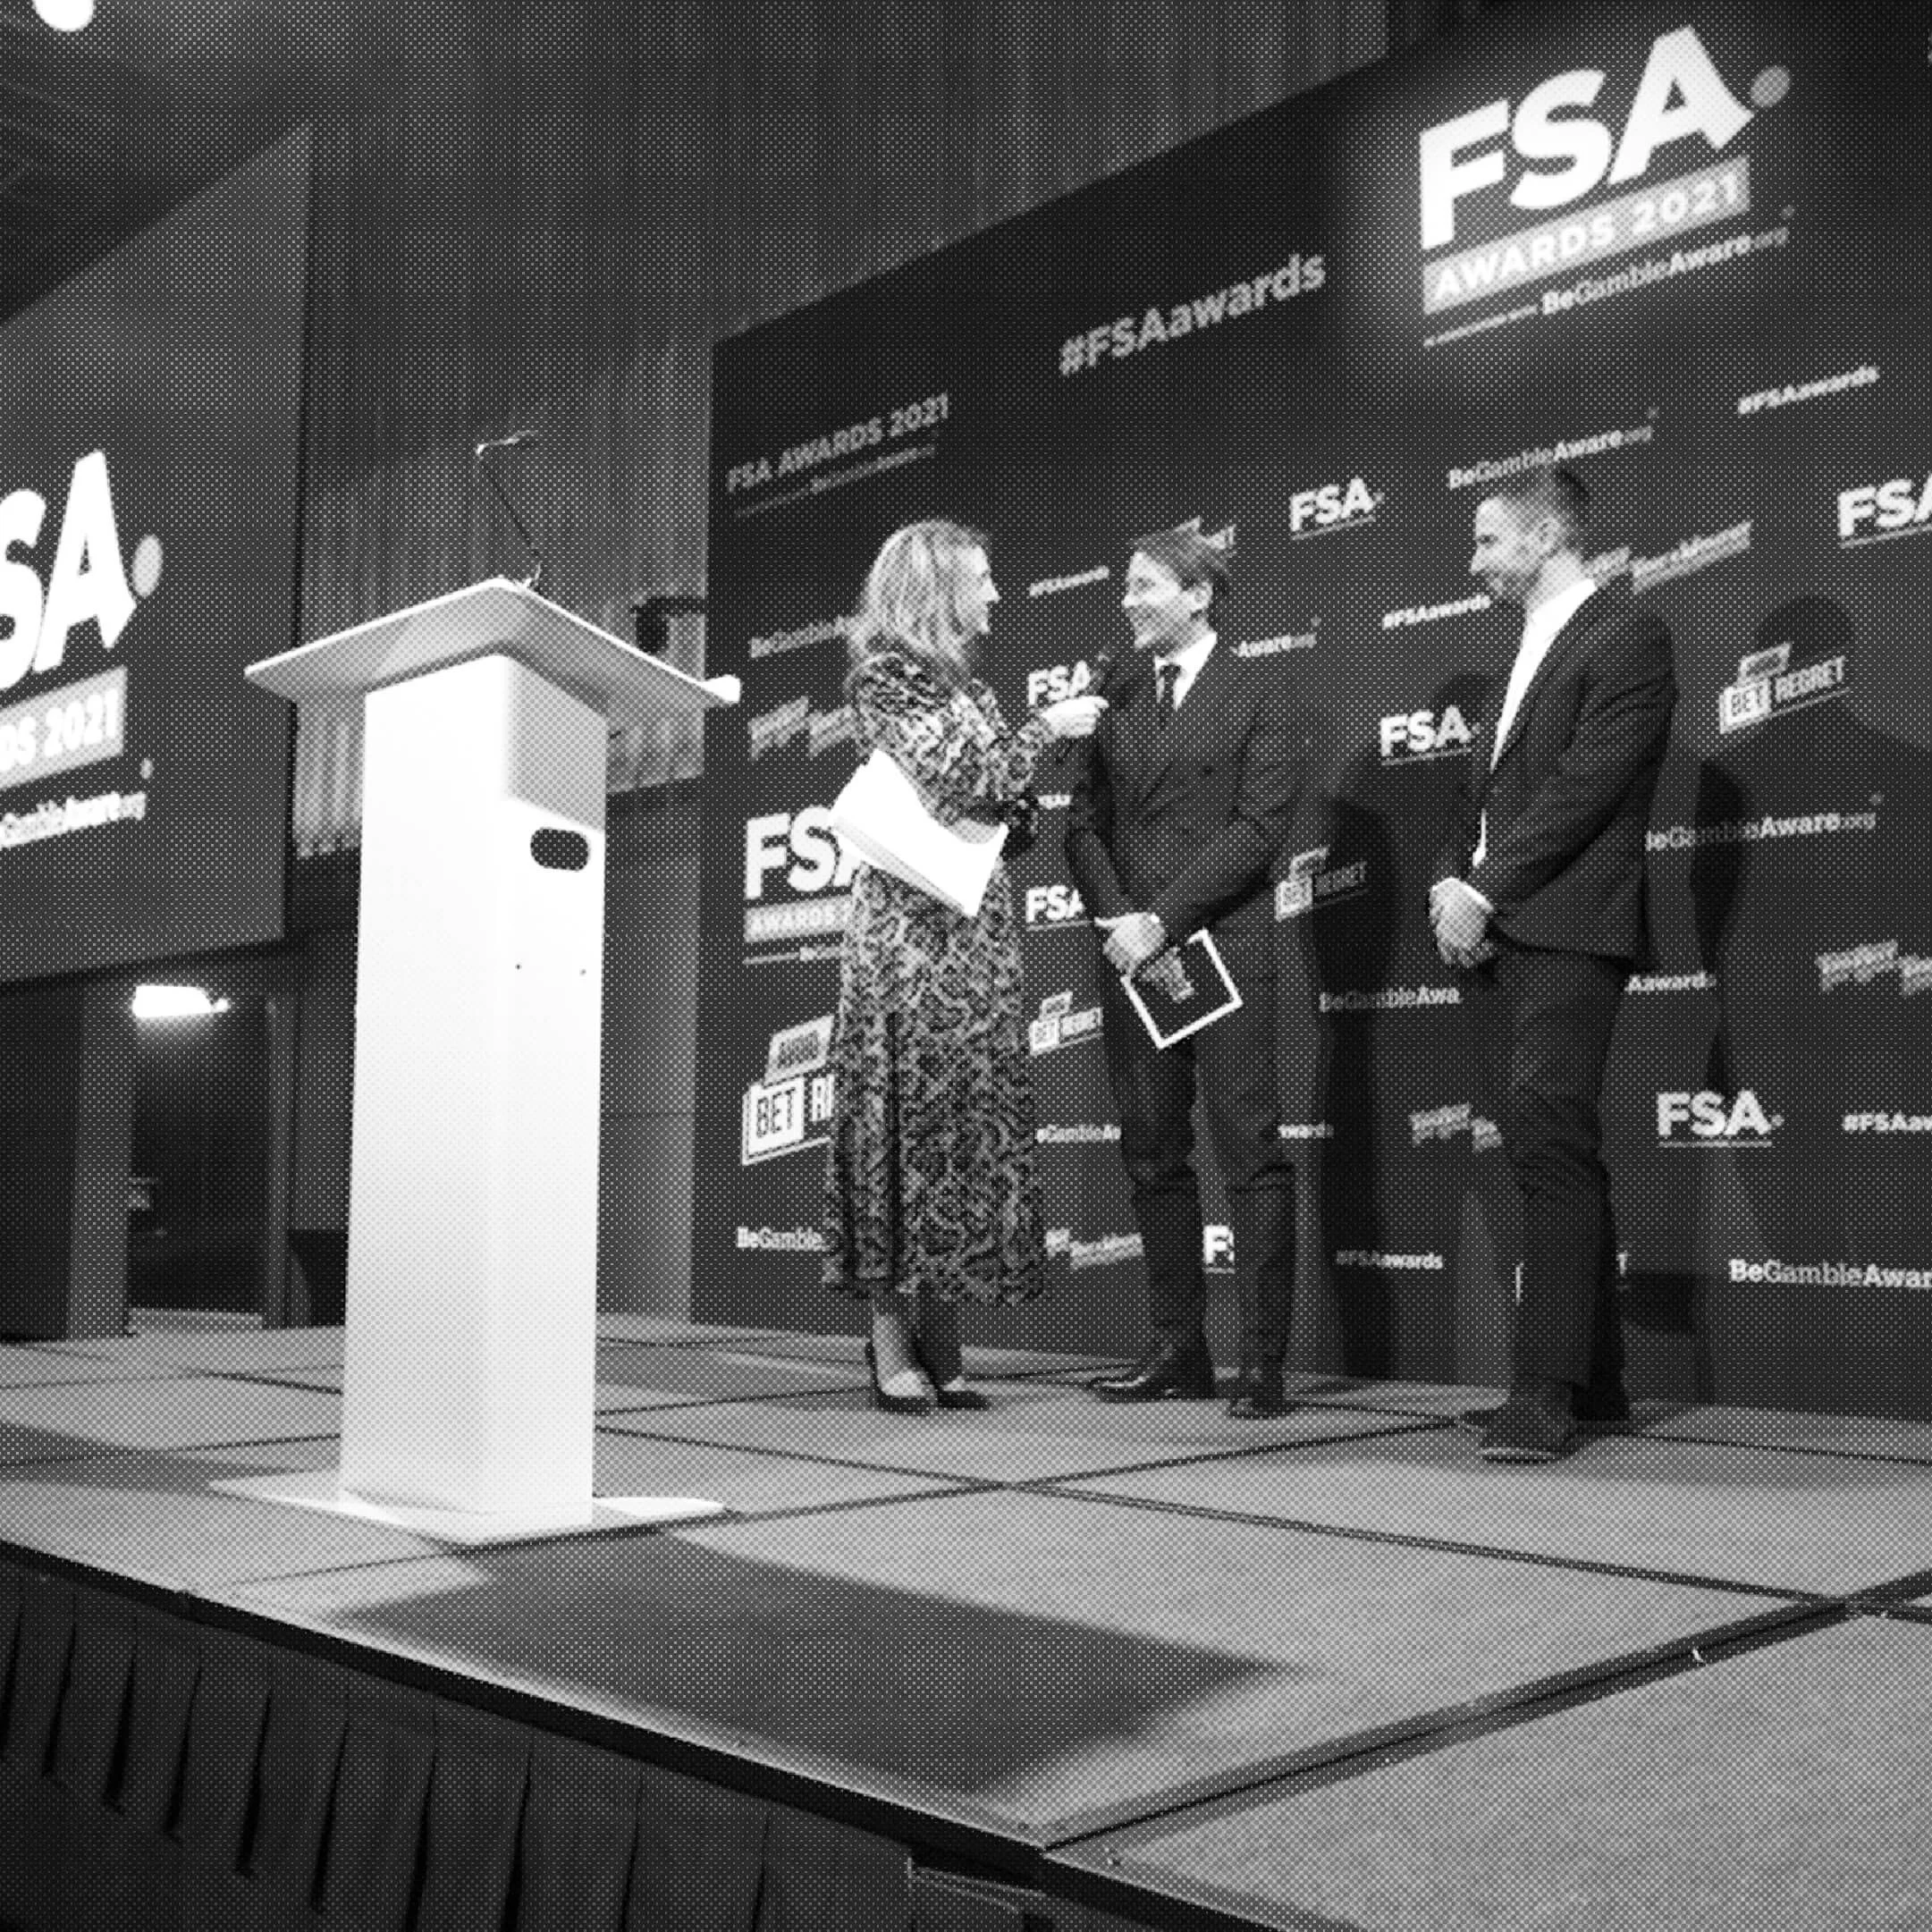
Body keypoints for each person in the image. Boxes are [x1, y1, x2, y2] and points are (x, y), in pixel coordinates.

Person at [822, 519, 1105, 1411]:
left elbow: (1005, 808)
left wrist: (1011, 785)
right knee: (902, 1123)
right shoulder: (886, 676)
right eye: (981, 580)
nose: (995, 596)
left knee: (962, 1122)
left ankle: (942, 1331)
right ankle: (889, 1338)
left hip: (975, 929)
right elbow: (964, 778)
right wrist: (1047, 727)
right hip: (905, 936)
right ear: (938, 588)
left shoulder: (969, 689)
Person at [1430, 464, 1675, 1463]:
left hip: (1569, 928)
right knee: (1550, 1145)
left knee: (1548, 1149)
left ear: (1544, 538)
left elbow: (1588, 787)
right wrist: (1454, 878)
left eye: (1489, 540)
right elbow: (1481, 798)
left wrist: (1483, 888)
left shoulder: (1625, 634)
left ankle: (1541, 1394)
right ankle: (1599, 1386)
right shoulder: (1515, 653)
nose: (1475, 559)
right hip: (1501, 932)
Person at [1066, 527, 1300, 1418]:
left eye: (1145, 586)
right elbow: (1081, 824)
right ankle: (1175, 1349)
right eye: (1125, 586)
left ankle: (1263, 1361)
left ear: (1197, 595)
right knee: (1152, 1152)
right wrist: (1123, 919)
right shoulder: (1111, 687)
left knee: (1248, 1150)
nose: (1127, 600)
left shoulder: (1260, 687)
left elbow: (1258, 827)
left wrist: (1163, 918)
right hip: (1132, 953)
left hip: (1221, 948)